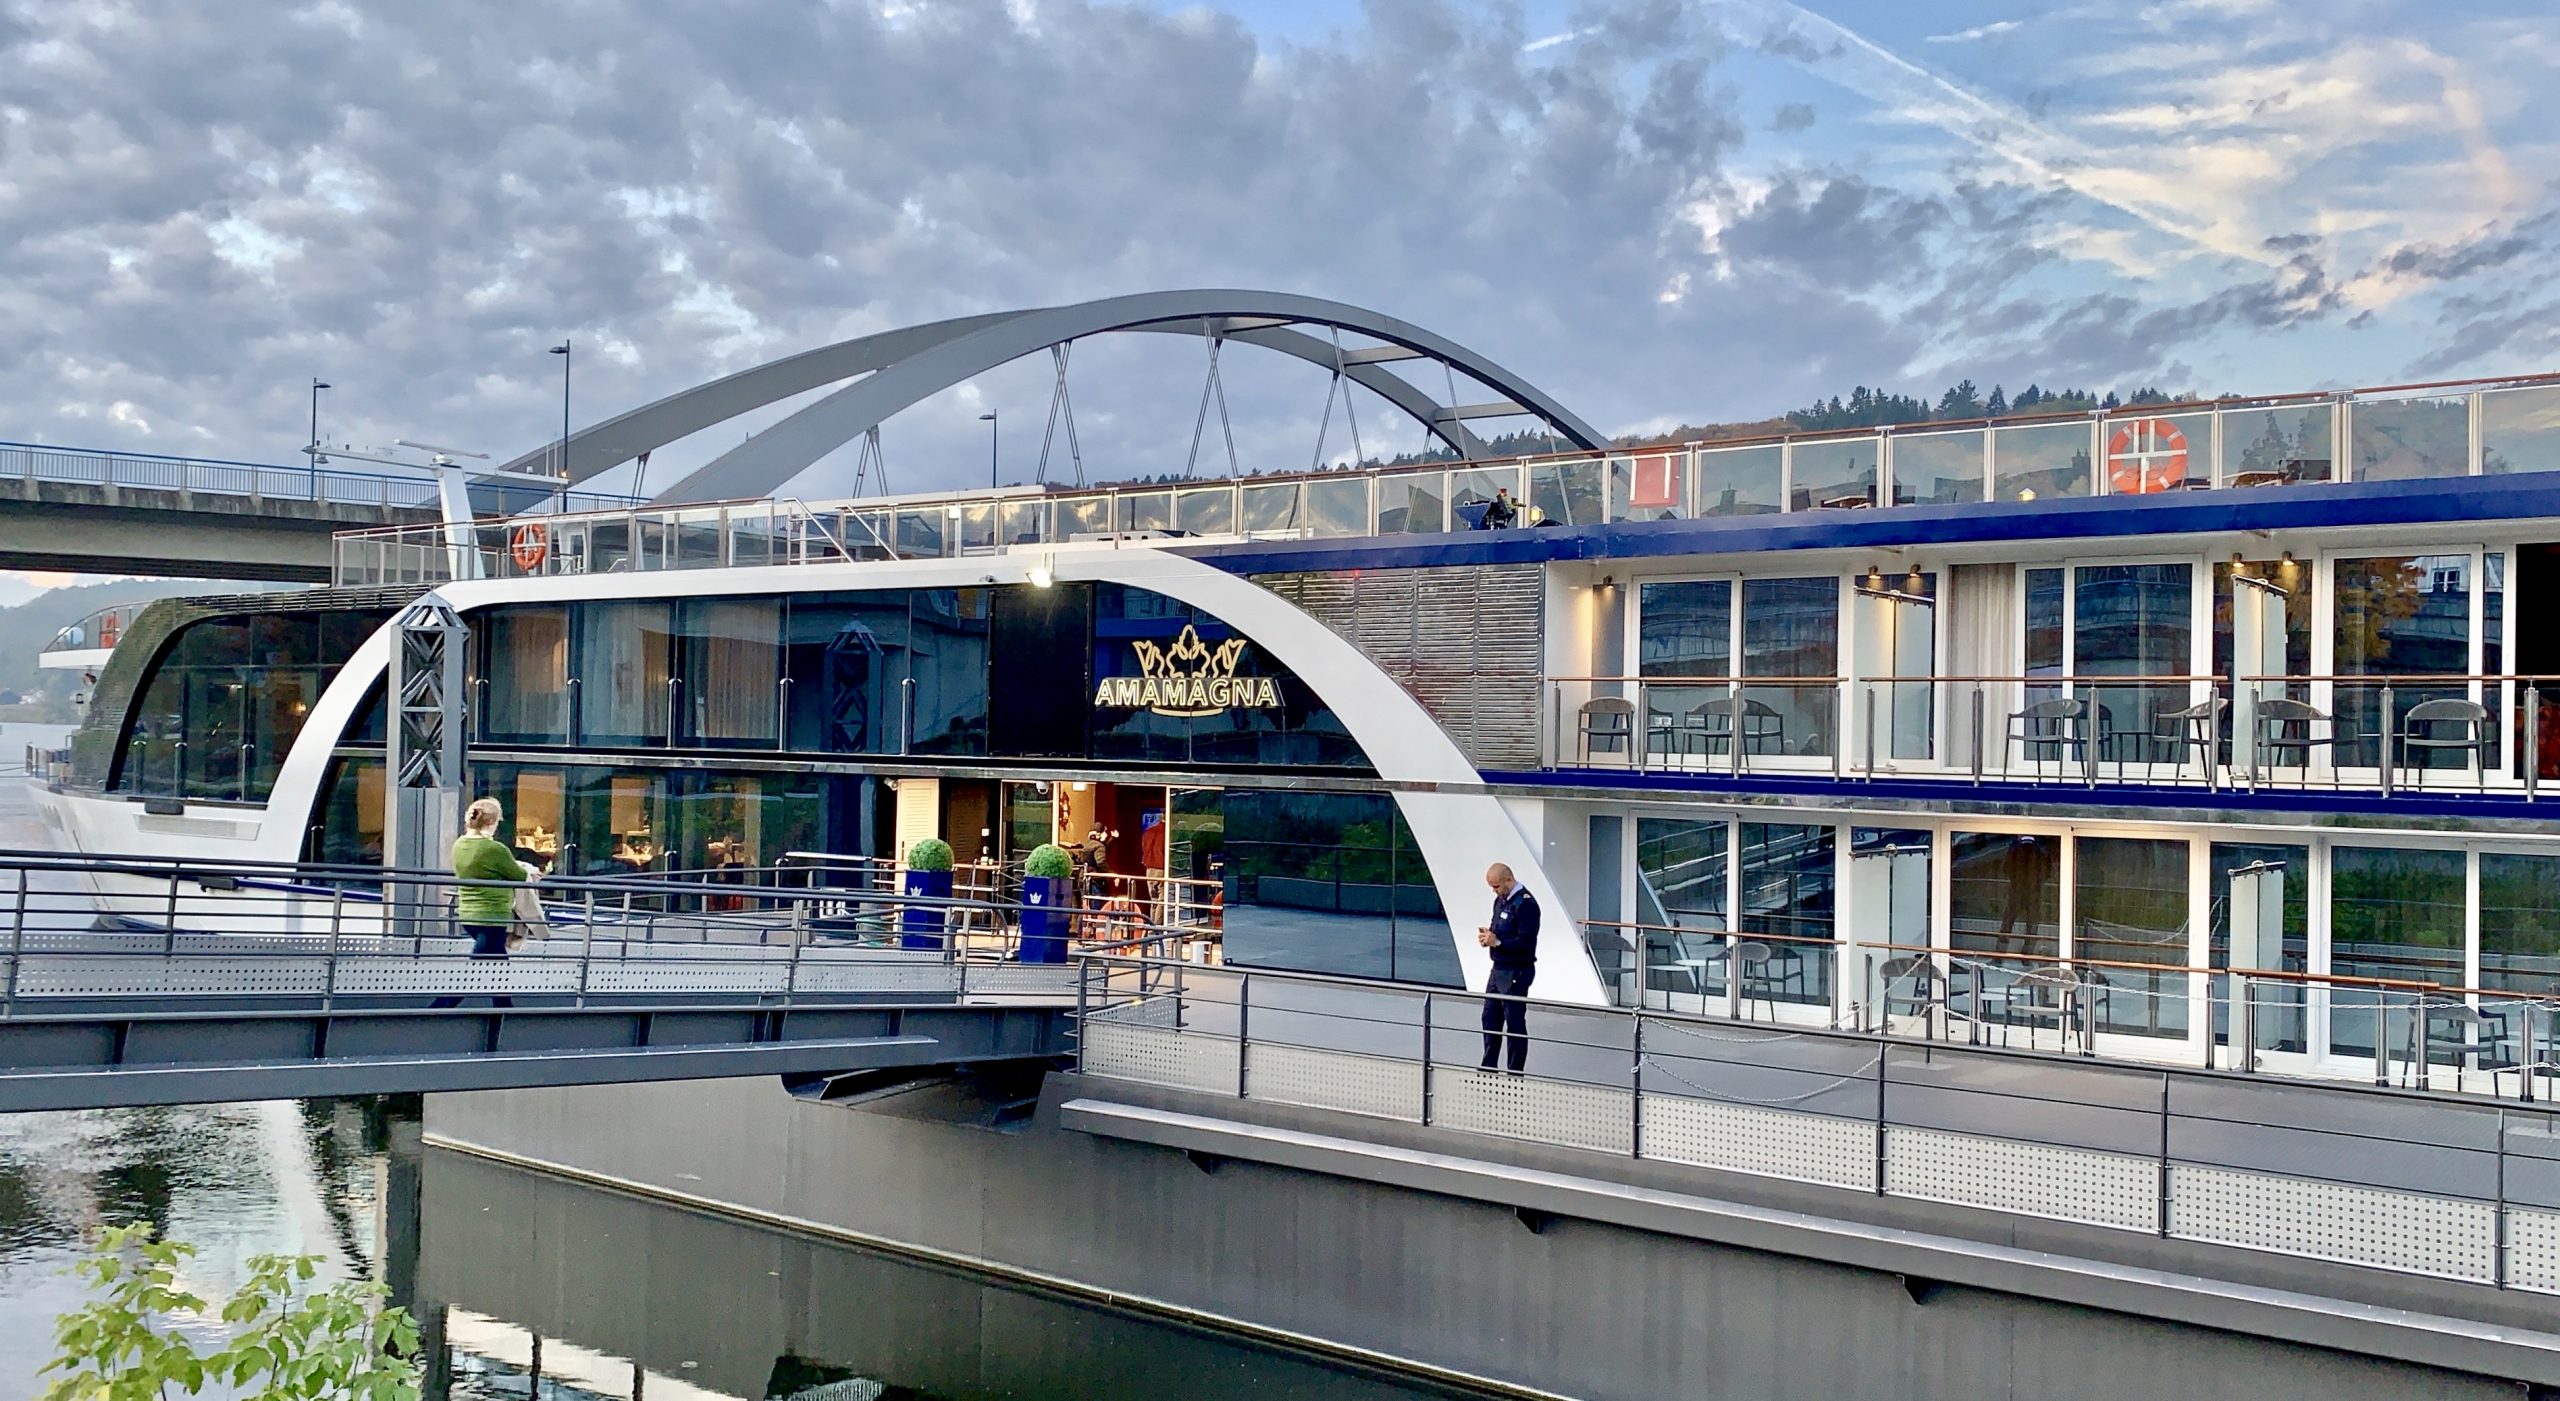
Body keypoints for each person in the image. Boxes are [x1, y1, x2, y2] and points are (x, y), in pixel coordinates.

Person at [432, 797, 533, 1010]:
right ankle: (436, 1009)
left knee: (499, 966)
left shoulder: (459, 845)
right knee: (475, 971)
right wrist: (529, 870)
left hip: (468, 913)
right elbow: (518, 875)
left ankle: (504, 1009)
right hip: (491, 916)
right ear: (492, 822)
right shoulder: (494, 849)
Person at [1476, 862, 1540, 1072]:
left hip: (1516, 969)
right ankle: (1488, 1067)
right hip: (1498, 968)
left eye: (1496, 886)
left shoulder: (1526, 904)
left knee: (1513, 1022)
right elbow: (1498, 929)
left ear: (1509, 880)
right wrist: (1489, 938)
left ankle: (1514, 1072)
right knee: (1490, 1017)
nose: (1495, 891)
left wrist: (1499, 943)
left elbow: (1526, 942)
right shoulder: (1501, 901)